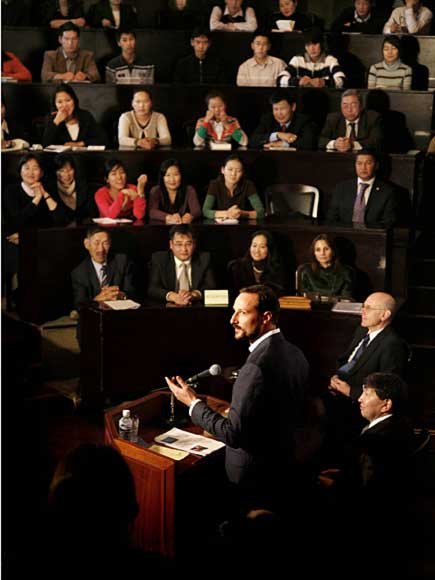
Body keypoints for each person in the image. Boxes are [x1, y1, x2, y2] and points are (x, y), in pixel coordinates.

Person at [165, 284, 309, 512]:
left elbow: (233, 434)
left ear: (266, 317)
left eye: (242, 312)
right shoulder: (295, 352)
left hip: (252, 476)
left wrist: (192, 402)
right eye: (234, 311)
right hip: (283, 466)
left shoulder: (255, 367)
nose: (232, 319)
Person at [329, 292, 408, 402]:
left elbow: (387, 389)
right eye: (363, 306)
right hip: (337, 386)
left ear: (384, 315)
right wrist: (336, 376)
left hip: (356, 401)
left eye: (369, 308)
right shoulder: (362, 330)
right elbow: (347, 360)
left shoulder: (392, 344)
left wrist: (350, 391)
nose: (362, 311)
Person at [327, 150, 399, 228]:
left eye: (368, 163)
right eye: (359, 163)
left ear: (376, 166)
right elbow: (331, 218)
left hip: (372, 234)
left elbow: (388, 222)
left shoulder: (387, 192)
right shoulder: (342, 188)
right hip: (344, 233)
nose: (363, 167)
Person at [71, 226, 137, 310]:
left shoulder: (122, 261)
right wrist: (97, 299)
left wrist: (120, 295)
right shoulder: (79, 272)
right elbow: (80, 305)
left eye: (105, 243)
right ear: (87, 244)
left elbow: (132, 292)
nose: (101, 249)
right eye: (96, 243)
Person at [147, 224, 216, 305]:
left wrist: (193, 295)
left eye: (188, 244)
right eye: (179, 244)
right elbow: (153, 288)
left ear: (194, 244)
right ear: (171, 244)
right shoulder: (160, 259)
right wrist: (173, 296)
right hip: (168, 307)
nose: (184, 249)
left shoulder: (204, 258)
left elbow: (211, 286)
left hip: (196, 306)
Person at [3, 153, 66, 235]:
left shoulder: (49, 188)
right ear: (20, 171)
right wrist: (37, 198)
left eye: (35, 168)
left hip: (44, 237)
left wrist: (45, 194)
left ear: (41, 173)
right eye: (27, 168)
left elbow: (61, 220)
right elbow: (17, 222)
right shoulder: (10, 191)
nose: (30, 172)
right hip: (19, 239)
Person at [42, 83, 107, 148]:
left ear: (74, 101)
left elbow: (103, 139)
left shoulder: (85, 116)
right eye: (60, 102)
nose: (64, 105)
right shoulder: (51, 119)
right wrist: (56, 122)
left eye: (68, 100)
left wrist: (80, 143)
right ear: (55, 104)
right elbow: (45, 144)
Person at [277, 28, 345, 89]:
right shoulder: (297, 59)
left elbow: (342, 80)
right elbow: (280, 78)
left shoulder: (330, 59)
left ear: (321, 44)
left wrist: (324, 82)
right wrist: (298, 81)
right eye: (308, 45)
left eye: (315, 44)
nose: (312, 48)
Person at [202, 154, 264, 220]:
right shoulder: (215, 184)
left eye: (238, 170)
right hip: (220, 224)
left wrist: (241, 213)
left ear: (242, 173)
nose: (233, 174)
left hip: (242, 223)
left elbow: (261, 212)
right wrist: (227, 213)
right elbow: (205, 211)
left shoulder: (248, 185)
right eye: (230, 169)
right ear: (223, 170)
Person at [319, 89, 383, 152]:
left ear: (361, 106)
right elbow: (321, 140)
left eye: (353, 105)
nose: (349, 110)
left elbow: (376, 142)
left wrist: (352, 144)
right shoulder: (333, 119)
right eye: (345, 105)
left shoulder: (372, 118)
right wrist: (335, 144)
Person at [250, 90, 317, 150]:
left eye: (282, 109)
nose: (279, 113)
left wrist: (284, 144)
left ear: (293, 107)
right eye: (276, 109)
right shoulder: (267, 119)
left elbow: (309, 144)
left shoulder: (304, 121)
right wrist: (277, 135)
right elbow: (253, 140)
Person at [228, 230, 287, 295]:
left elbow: (278, 292)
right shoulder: (238, 267)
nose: (257, 251)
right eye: (254, 245)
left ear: (269, 249)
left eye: (262, 247)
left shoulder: (277, 268)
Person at [298, 234, 354, 299]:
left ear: (333, 251)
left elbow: (346, 299)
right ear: (314, 253)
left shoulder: (346, 272)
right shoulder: (305, 271)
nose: (322, 253)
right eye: (318, 250)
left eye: (326, 249)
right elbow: (304, 298)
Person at [148, 158, 201, 224]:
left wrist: (190, 216)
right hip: (161, 227)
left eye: (176, 175)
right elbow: (152, 212)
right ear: (162, 177)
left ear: (181, 175)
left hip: (183, 227)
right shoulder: (156, 190)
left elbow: (197, 211)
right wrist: (168, 217)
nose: (172, 180)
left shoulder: (189, 190)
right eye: (168, 175)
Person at [50, 153, 97, 223]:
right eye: (61, 171)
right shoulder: (50, 190)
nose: (66, 175)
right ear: (55, 172)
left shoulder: (87, 188)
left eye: (70, 170)